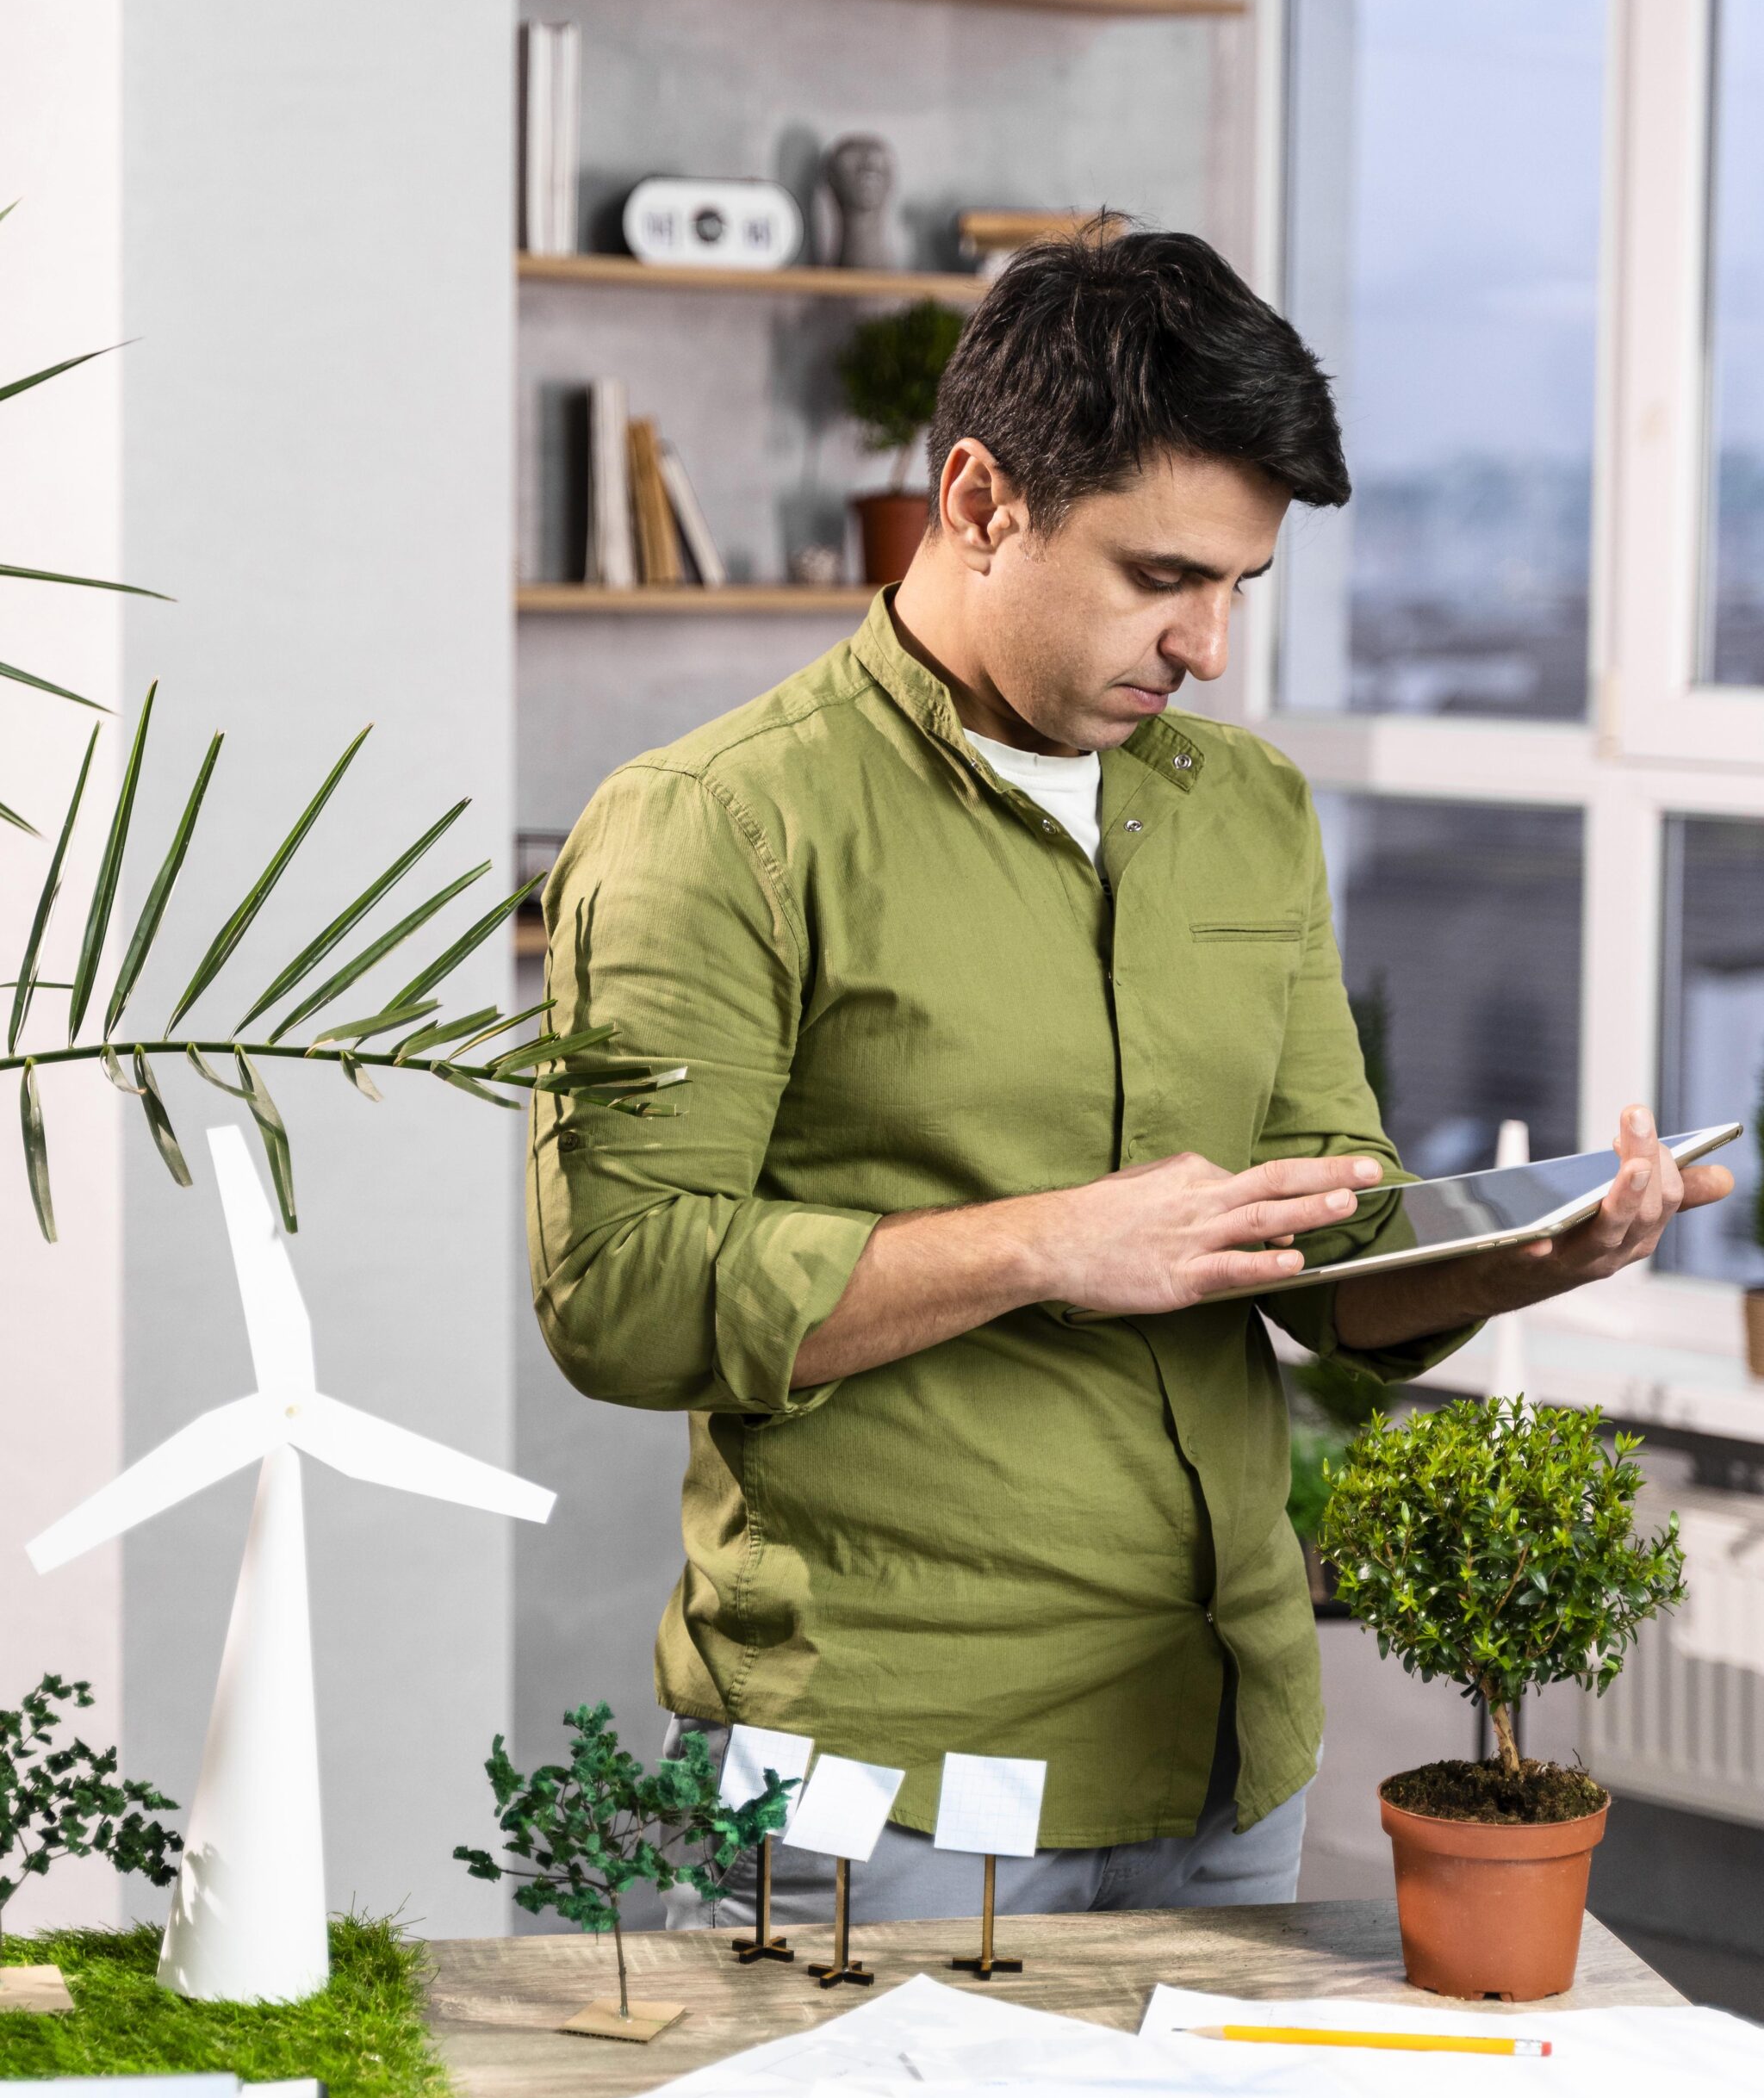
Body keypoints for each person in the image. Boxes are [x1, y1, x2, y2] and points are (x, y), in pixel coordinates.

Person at [527, 228, 1733, 1927]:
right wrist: (1041, 1245)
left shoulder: (1246, 809)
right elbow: (622, 1298)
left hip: (1223, 1753)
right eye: (1163, 574)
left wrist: (1517, 1253)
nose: (1210, 644)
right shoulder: (715, 825)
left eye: (1241, 584)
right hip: (883, 1783)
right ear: (975, 501)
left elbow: (1323, 1241)